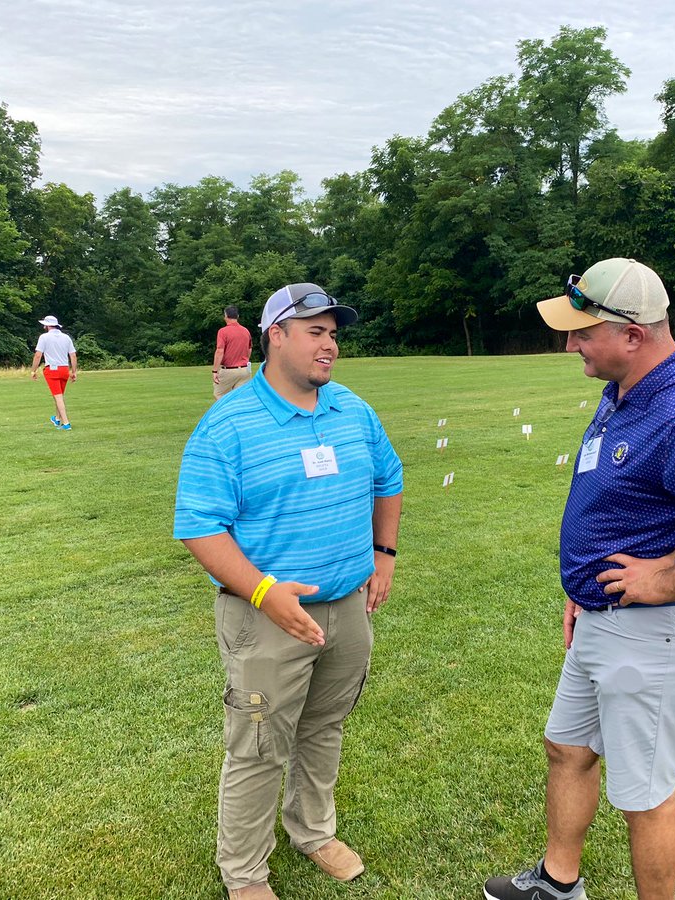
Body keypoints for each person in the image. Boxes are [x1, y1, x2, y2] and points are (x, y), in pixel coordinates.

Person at [484, 258, 675, 900]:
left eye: (582, 332)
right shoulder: (623, 390)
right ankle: (558, 884)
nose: (570, 344)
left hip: (652, 631)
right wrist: (582, 589)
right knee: (566, 748)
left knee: (644, 795)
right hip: (603, 618)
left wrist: (665, 581)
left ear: (633, 333)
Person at [174, 282, 404, 900]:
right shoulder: (228, 424)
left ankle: (313, 830)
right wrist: (263, 592)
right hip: (267, 615)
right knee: (257, 745)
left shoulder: (352, 409)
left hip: (347, 608)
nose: (329, 346)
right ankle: (246, 874)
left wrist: (383, 556)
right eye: (314, 332)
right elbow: (199, 525)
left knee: (324, 727)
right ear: (275, 335)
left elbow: (390, 478)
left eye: (333, 334)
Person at [30, 315, 78, 430]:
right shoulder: (66, 337)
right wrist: (74, 371)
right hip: (64, 369)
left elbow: (38, 355)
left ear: (47, 325)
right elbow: (73, 355)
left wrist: (33, 370)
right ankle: (57, 418)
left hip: (52, 370)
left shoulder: (44, 337)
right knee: (59, 395)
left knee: (58, 397)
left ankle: (66, 423)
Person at [212, 304, 254, 400]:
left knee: (219, 395)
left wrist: (215, 370)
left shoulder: (223, 331)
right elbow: (249, 349)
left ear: (225, 316)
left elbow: (219, 351)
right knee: (240, 398)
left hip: (229, 370)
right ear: (237, 316)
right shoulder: (246, 331)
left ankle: (226, 414)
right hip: (245, 370)